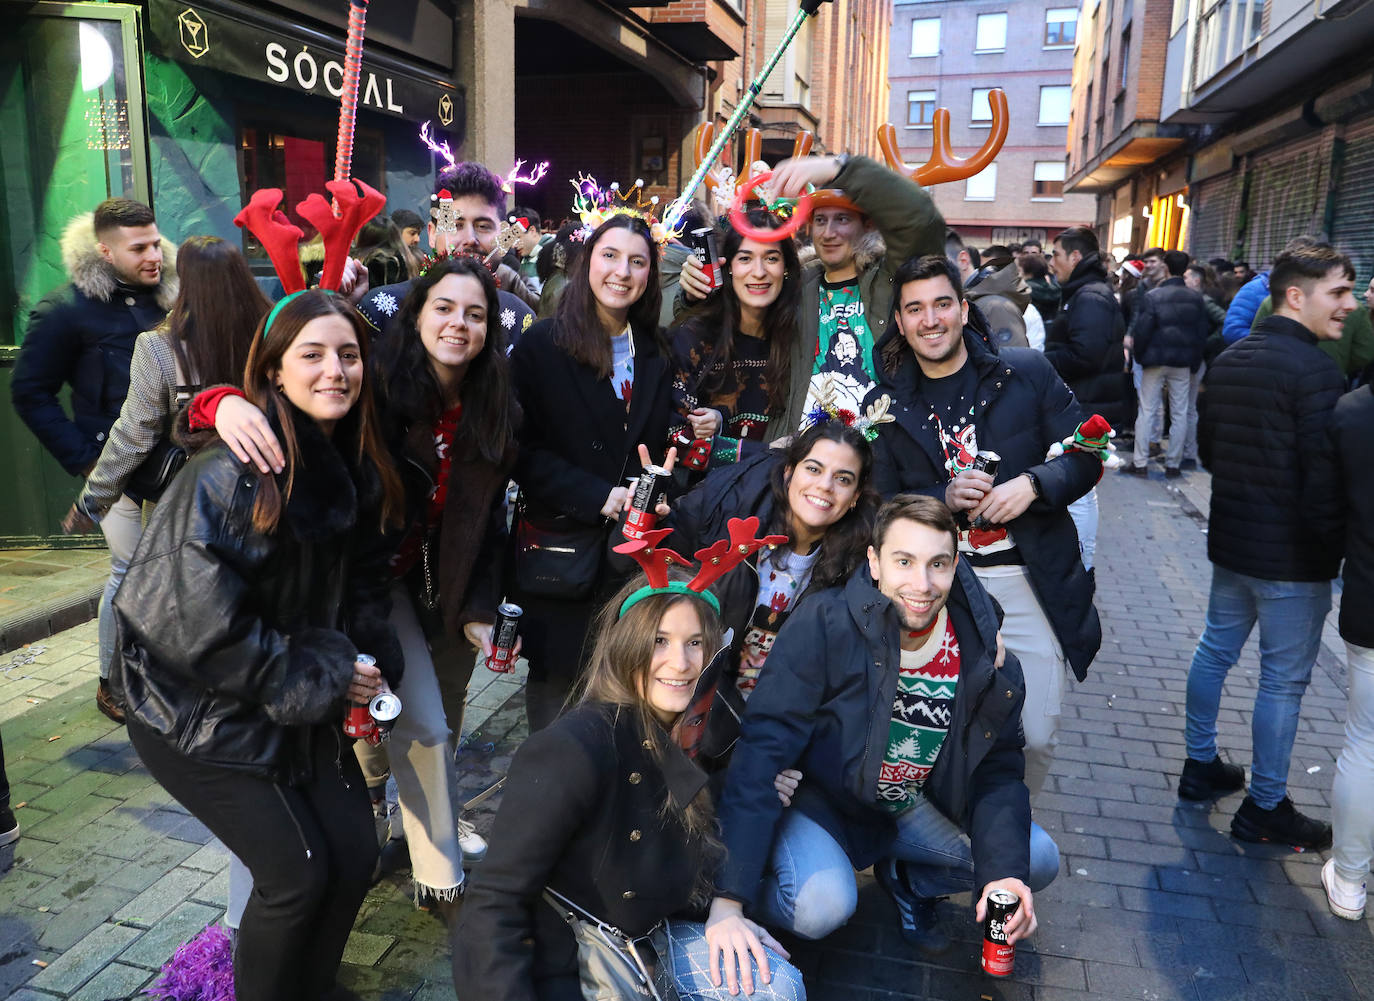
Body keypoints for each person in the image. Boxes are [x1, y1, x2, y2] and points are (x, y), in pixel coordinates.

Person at [110, 290, 406, 1001]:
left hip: (289, 693)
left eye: (347, 354)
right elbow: (195, 626)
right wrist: (325, 672)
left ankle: (308, 986)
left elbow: (360, 587)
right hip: (192, 708)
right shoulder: (229, 470)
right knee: (295, 873)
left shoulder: (351, 460)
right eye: (312, 354)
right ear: (273, 372)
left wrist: (363, 662)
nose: (335, 369)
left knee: (357, 849)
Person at [207, 257, 519, 932]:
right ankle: (241, 928)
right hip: (313, 586)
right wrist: (218, 401)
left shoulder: (494, 403)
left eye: (475, 313)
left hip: (391, 583)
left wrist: (476, 607)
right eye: (443, 307)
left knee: (429, 725)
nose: (458, 324)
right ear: (415, 312)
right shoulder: (372, 380)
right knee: (284, 751)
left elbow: (488, 520)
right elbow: (272, 395)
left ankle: (439, 879)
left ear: (492, 328)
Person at [708, 495, 1058, 956]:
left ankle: (910, 880)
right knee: (819, 908)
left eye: (938, 564)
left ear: (956, 566)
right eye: (904, 561)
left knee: (1033, 860)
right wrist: (727, 903)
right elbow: (763, 748)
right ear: (874, 562)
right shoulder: (825, 623)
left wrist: (1004, 875)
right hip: (826, 806)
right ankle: (764, 886)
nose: (922, 583)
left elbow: (997, 770)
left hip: (913, 805)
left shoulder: (980, 651)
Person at [456, 569, 806, 1000]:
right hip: (580, 960)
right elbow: (493, 903)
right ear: (626, 645)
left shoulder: (695, 731)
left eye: (695, 643)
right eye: (659, 640)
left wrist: (727, 909)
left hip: (649, 938)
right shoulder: (572, 749)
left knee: (775, 986)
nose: (680, 663)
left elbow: (688, 839)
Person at [866, 255, 1102, 796]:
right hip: (935, 589)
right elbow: (876, 505)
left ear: (963, 309)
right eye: (915, 309)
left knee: (1036, 736)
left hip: (1028, 579)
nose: (931, 320)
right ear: (899, 322)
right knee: (930, 736)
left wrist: (1035, 484)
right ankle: (942, 854)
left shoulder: (1027, 373)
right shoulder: (884, 405)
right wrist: (939, 498)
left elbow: (1089, 450)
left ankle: (1004, 851)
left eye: (942, 304)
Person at [1180, 242, 1354, 850]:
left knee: (1215, 651)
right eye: (1339, 292)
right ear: (1296, 296)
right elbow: (1323, 476)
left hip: (1233, 543)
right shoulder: (1317, 372)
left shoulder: (1231, 358)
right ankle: (1265, 805)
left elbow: (1208, 452)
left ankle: (1200, 766)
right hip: (1292, 558)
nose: (1350, 305)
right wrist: (1335, 545)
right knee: (1282, 681)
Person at [10, 198, 176, 722]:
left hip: (176, 463)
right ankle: (113, 680)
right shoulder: (64, 310)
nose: (154, 254)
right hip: (118, 467)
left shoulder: (170, 295)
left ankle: (166, 673)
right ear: (104, 250)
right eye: (139, 248)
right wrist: (87, 461)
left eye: (156, 242)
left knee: (175, 571)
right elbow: (30, 391)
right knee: (129, 571)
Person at [510, 213, 674, 729]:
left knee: (624, 699)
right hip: (561, 555)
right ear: (586, 263)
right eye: (610, 256)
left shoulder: (654, 351)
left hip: (630, 560)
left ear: (650, 274)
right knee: (556, 706)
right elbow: (517, 450)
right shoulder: (543, 345)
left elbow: (656, 445)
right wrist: (596, 494)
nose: (621, 271)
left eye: (637, 261)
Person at [678, 153, 945, 426]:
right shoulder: (794, 287)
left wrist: (838, 167)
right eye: (820, 220)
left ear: (867, 225)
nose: (829, 233)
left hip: (877, 452)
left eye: (842, 219)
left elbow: (921, 220)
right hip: (799, 456)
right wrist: (691, 293)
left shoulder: (891, 282)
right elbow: (732, 308)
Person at [653, 422, 879, 740]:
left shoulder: (856, 569)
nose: (826, 485)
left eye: (843, 479)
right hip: (693, 709)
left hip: (777, 729)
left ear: (855, 497)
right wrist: (644, 515)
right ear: (788, 473)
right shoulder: (739, 537)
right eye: (813, 469)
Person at [668, 210, 802, 467]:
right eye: (745, 258)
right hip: (709, 500)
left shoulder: (802, 340)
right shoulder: (695, 338)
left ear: (786, 268)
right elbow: (675, 441)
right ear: (728, 267)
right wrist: (764, 452)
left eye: (771, 258)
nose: (759, 272)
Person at [1311, 381, 1374, 919]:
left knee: (1367, 742)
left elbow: (1326, 513)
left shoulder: (1354, 411)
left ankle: (1351, 881)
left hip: (1371, 598)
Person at [1125, 249, 1210, 478]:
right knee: (1180, 411)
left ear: (1166, 267)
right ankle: (1174, 463)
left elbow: (1142, 331)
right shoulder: (1196, 298)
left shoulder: (1154, 296)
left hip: (1155, 359)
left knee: (1147, 409)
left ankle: (1140, 462)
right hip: (1182, 362)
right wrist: (1193, 360)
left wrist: (1140, 356)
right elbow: (1202, 332)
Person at [423, 161, 539, 309]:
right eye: (456, 225)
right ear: (432, 234)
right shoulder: (392, 310)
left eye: (483, 227)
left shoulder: (521, 316)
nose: (470, 239)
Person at [946, 232, 1037, 350]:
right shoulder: (972, 299)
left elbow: (1014, 364)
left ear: (963, 260)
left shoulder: (995, 307)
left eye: (939, 264)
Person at [1020, 252, 1060, 329]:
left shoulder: (1024, 290)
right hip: (1053, 330)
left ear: (1029, 272)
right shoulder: (1056, 287)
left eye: (1019, 270)